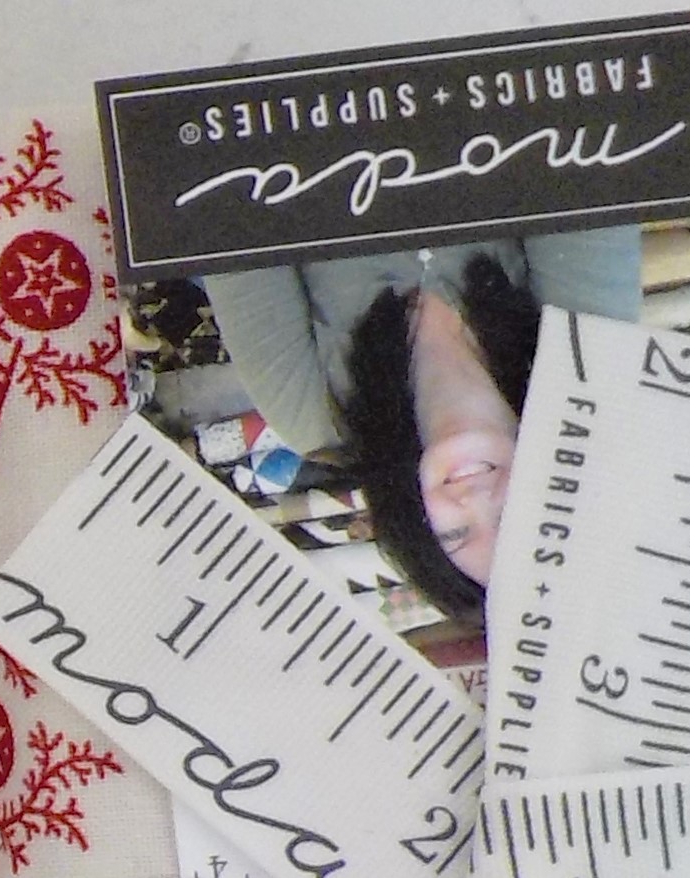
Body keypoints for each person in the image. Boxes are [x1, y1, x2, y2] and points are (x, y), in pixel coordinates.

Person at [198, 228, 640, 625]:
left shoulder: (311, 412)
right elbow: (577, 175)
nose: (473, 499)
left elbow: (230, 219)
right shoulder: (586, 356)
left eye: (455, 533)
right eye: (510, 518)